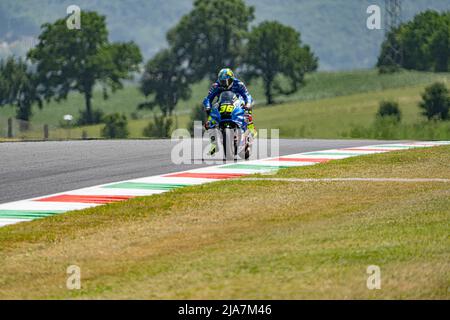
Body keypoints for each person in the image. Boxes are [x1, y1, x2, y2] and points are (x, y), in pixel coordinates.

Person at [203, 68, 256, 155]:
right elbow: (208, 98)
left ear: (232, 79)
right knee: (209, 122)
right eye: (222, 82)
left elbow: (247, 95)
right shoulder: (216, 86)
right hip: (222, 104)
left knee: (247, 114)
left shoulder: (239, 84)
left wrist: (248, 104)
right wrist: (208, 106)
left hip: (238, 103)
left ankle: (250, 133)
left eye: (227, 81)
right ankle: (214, 144)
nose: (225, 84)